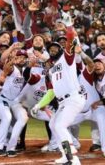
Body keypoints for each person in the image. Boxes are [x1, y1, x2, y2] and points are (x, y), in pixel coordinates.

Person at [32, 23, 85, 164]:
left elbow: (69, 41)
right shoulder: (51, 70)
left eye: (56, 47)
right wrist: (38, 105)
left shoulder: (67, 59)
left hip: (73, 99)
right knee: (53, 124)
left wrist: (69, 28)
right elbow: (51, 92)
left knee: (60, 126)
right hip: (63, 102)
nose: (53, 49)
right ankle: (64, 154)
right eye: (51, 49)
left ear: (61, 50)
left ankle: (73, 158)